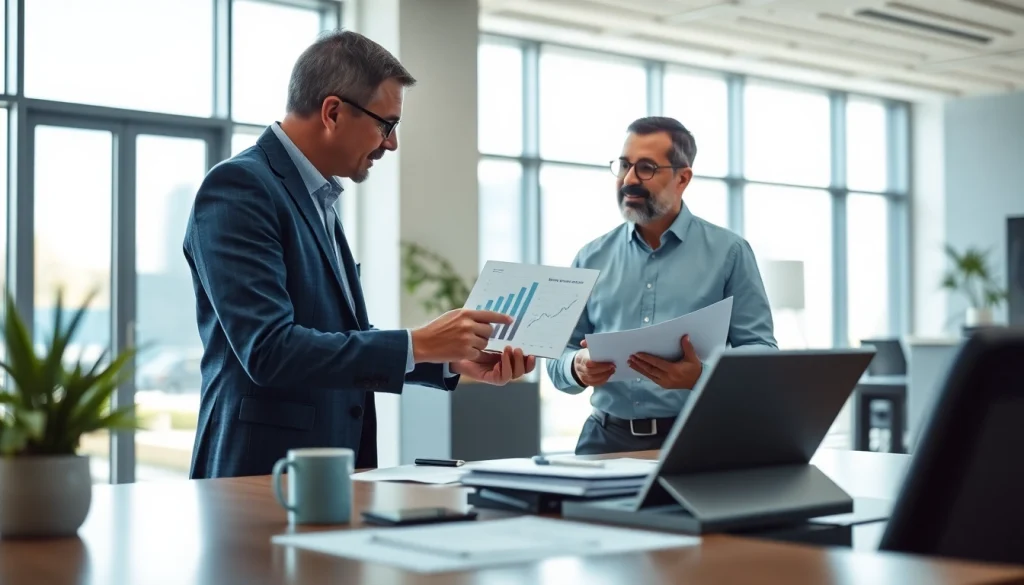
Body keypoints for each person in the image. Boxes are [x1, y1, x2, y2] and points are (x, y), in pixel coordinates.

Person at [183, 30, 535, 479]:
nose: (391, 143)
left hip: (328, 472)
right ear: (332, 112)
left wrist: (445, 358)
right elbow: (269, 350)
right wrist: (419, 343)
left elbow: (336, 335)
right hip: (258, 474)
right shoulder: (240, 188)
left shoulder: (319, 198)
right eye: (386, 124)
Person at [546, 116, 777, 455]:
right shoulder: (589, 257)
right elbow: (556, 355)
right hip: (603, 440)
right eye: (624, 165)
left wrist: (701, 375)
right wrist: (575, 365)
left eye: (646, 168)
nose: (629, 180)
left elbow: (761, 351)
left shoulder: (730, 253)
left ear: (682, 178)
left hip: (698, 439)